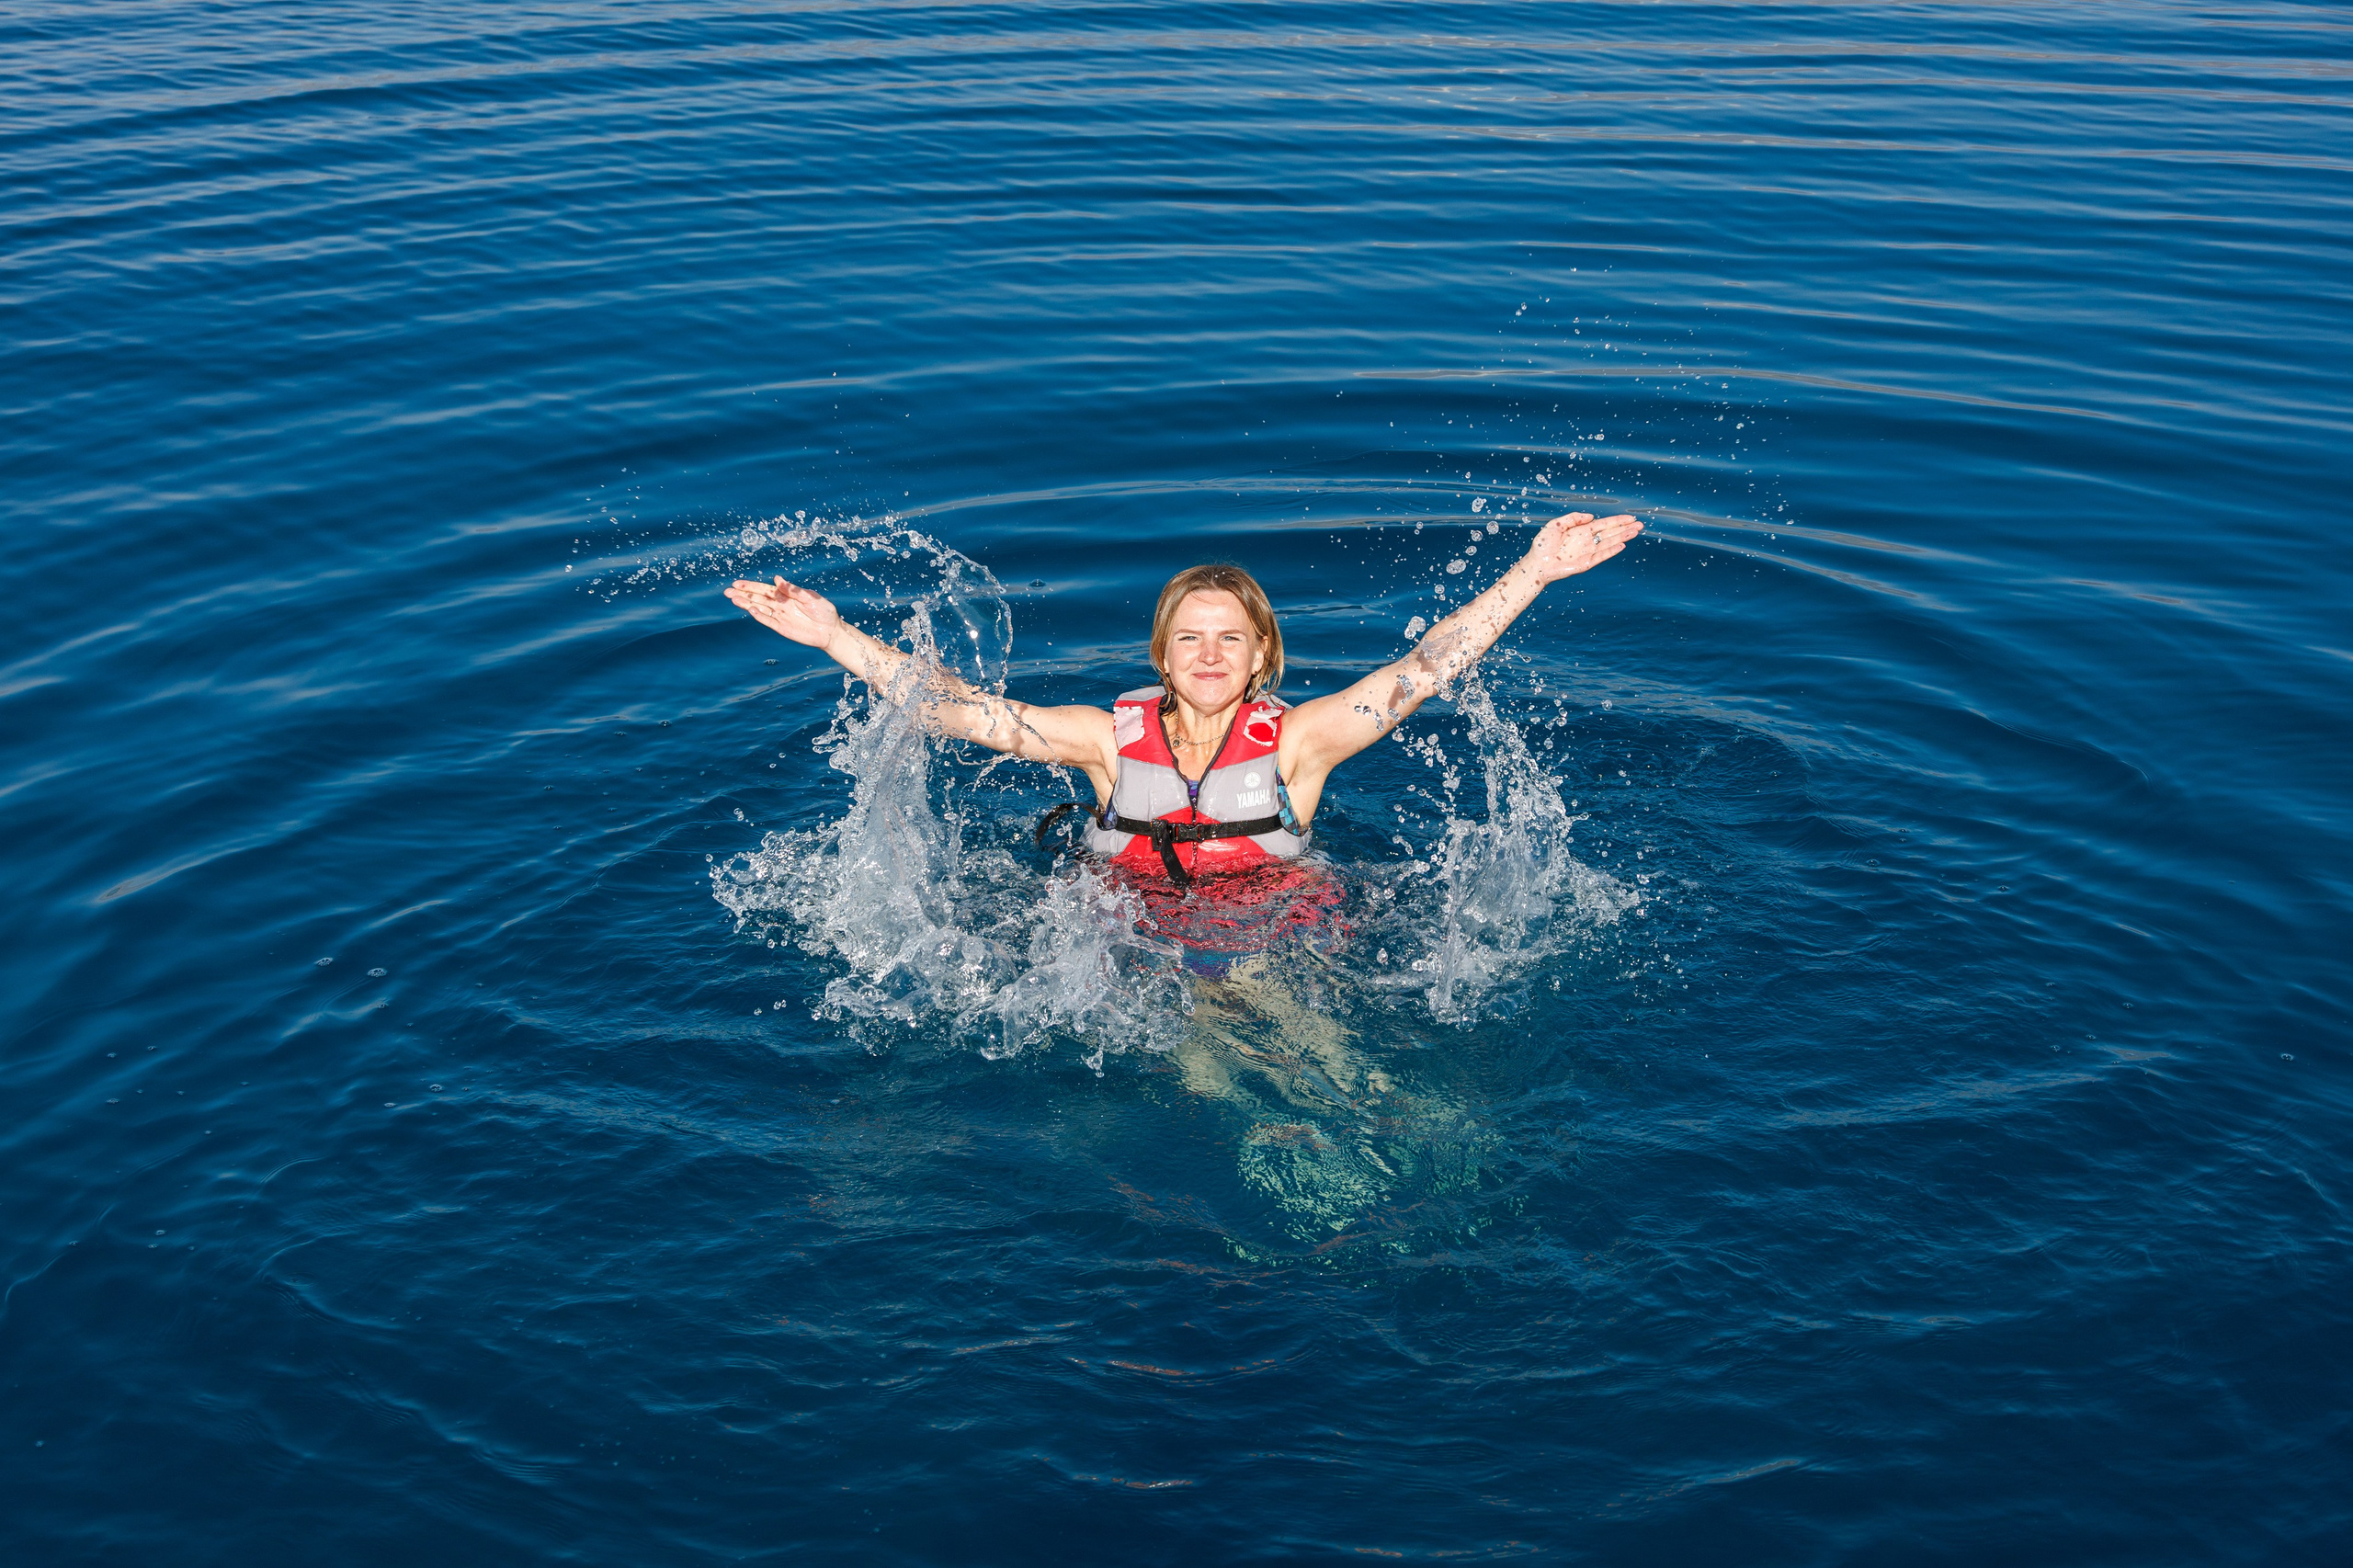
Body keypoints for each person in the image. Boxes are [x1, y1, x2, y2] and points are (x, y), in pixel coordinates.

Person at [724, 509, 1641, 885]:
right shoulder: (1104, 740)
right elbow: (955, 708)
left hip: (1272, 935)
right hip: (1123, 948)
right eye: (1190, 638)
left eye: (1229, 638)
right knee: (1210, 1068)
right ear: (1161, 655)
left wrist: (1534, 570)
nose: (1209, 655)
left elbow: (1426, 668)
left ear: (1260, 657)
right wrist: (834, 635)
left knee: (1309, 1055)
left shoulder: (1298, 743)